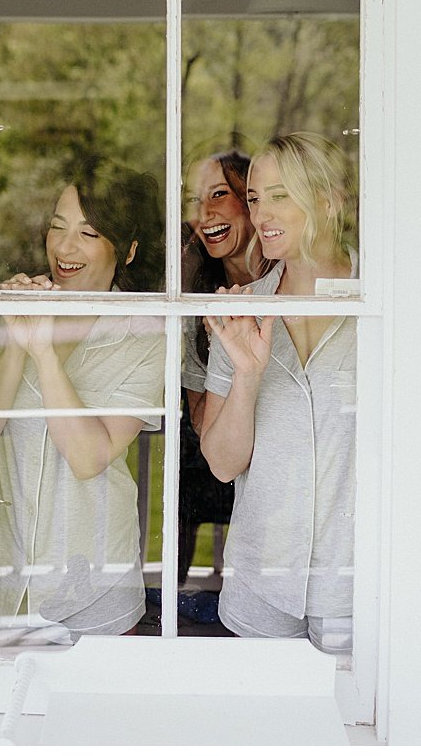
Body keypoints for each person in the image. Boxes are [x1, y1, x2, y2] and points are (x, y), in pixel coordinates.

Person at [0, 159, 165, 643]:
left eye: (88, 234)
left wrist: (43, 351)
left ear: (126, 251)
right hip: (4, 580)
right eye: (57, 228)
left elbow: (89, 458)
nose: (65, 248)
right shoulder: (13, 310)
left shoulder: (145, 337)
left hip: (93, 589)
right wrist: (13, 335)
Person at [199, 132, 358, 655]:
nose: (261, 213)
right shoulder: (243, 311)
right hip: (262, 584)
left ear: (329, 201)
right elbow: (223, 464)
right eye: (255, 198)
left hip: (358, 582)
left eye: (280, 195)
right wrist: (247, 374)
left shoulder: (383, 299)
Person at [177, 149, 268, 589]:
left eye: (219, 194)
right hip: (221, 468)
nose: (205, 212)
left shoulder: (294, 287)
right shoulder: (198, 303)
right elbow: (201, 423)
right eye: (195, 200)